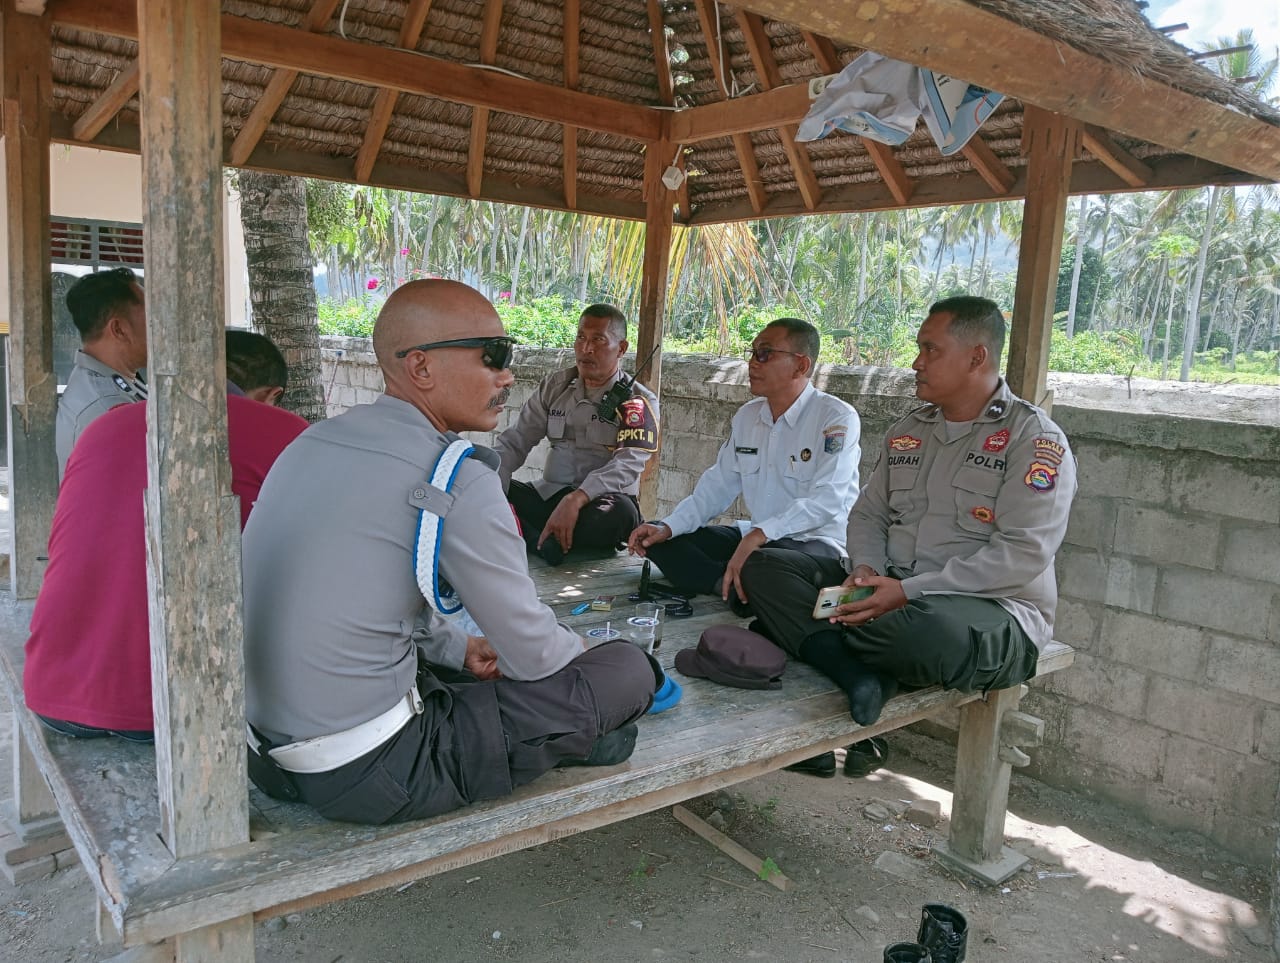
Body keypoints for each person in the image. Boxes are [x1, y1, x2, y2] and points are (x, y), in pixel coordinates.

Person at [240, 279, 658, 826]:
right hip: (373, 771)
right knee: (629, 669)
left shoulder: (312, 441)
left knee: (474, 662)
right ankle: (575, 735)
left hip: (264, 752)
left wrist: (458, 649)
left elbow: (366, 594)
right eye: (493, 356)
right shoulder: (457, 473)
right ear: (420, 368)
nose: (507, 373)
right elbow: (534, 656)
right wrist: (592, 656)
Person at [741, 296, 1076, 740]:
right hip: (890, 585)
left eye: (930, 350)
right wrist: (867, 570)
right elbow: (868, 514)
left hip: (985, 608)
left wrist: (905, 592)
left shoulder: (1031, 440)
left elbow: (1022, 556)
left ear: (977, 356)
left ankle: (814, 642)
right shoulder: (909, 431)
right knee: (765, 566)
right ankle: (859, 671)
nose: (916, 363)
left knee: (927, 633)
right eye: (918, 349)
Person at [24, 332, 308, 742]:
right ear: (271, 394)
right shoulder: (284, 432)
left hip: (52, 691)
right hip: (166, 710)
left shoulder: (103, 427)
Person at [627, 318, 860, 616]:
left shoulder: (835, 418)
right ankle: (736, 587)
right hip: (756, 539)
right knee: (663, 541)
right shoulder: (748, 417)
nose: (752, 362)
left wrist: (759, 534)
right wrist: (669, 526)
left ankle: (738, 582)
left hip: (814, 545)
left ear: (801, 366)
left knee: (763, 564)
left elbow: (828, 500)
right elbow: (716, 488)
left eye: (765, 353)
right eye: (752, 353)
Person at [494, 304, 659, 565]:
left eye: (598, 340)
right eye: (581, 338)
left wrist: (578, 498)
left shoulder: (637, 400)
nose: (586, 348)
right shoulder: (555, 386)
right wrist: (490, 478)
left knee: (620, 514)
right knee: (486, 481)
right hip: (549, 499)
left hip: (597, 505)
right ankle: (546, 541)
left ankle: (533, 538)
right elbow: (517, 440)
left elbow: (628, 465)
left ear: (622, 348)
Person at [56, 267, 151, 480]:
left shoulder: (118, 382)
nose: (159, 328)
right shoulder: (106, 407)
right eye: (150, 316)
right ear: (118, 329)